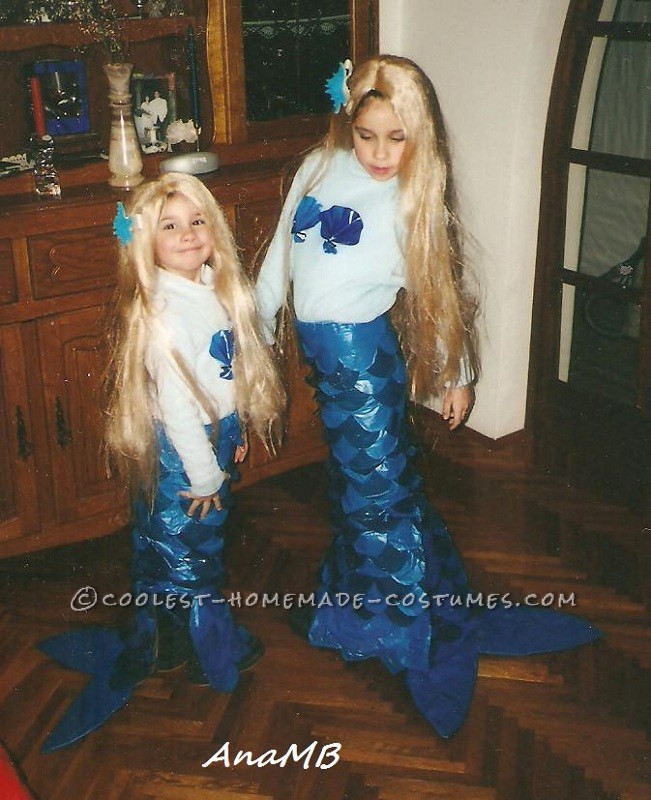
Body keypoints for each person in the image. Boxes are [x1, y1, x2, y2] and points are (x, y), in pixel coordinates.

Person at [255, 54, 601, 740]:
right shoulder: (317, 167)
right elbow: (277, 265)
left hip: (364, 364)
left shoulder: (412, 196)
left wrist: (455, 374)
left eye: (397, 136)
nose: (380, 153)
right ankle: (377, 607)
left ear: (419, 135)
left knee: (376, 493)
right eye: (367, 134)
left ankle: (406, 630)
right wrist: (256, 332)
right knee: (371, 491)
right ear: (347, 124)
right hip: (326, 367)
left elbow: (438, 297)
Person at [37, 172, 285, 752]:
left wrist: (237, 432)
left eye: (197, 221)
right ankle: (208, 655)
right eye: (169, 226)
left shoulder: (206, 287)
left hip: (209, 437)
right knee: (194, 553)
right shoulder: (167, 312)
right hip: (185, 454)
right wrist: (206, 474)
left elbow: (220, 377)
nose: (188, 234)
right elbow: (177, 407)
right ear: (145, 242)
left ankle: (164, 640)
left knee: (165, 549)